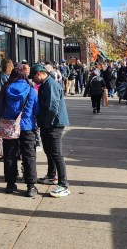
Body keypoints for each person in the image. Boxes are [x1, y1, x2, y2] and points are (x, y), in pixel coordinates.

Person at [32, 63, 71, 198]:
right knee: (49, 151)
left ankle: (63, 184)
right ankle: (51, 175)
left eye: (33, 77)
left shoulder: (50, 85)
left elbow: (52, 107)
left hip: (54, 124)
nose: (33, 81)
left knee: (56, 153)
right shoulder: (46, 84)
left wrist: (46, 124)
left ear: (39, 74)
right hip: (49, 124)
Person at [0, 64, 39, 196]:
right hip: (27, 126)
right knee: (29, 156)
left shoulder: (6, 89)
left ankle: (10, 184)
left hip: (9, 126)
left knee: (9, 156)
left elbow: (1, 107)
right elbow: (36, 110)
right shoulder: (31, 90)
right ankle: (31, 186)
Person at [0, 59, 14, 125]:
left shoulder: (2, 76)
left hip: (3, 103)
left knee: (0, 122)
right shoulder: (13, 75)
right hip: (11, 102)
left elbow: (1, 91)